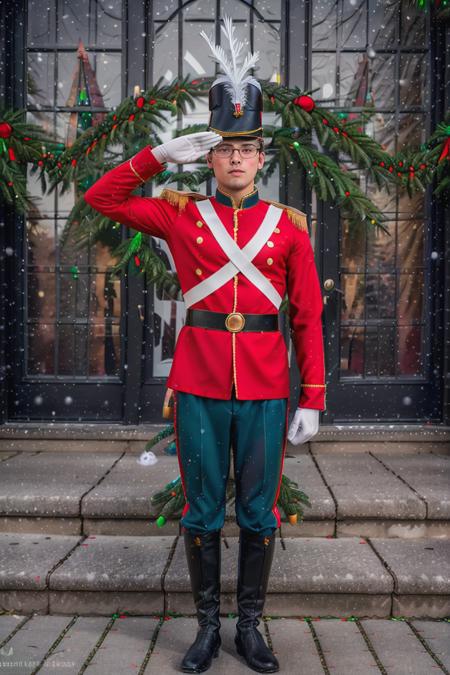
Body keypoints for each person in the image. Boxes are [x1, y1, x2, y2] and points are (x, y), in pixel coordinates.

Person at [84, 16, 325, 674]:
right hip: (198, 383)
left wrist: (313, 396)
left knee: (257, 511)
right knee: (200, 508)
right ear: (211, 155)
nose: (237, 157)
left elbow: (306, 316)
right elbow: (99, 196)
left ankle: (249, 628)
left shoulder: (288, 228)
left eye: (247, 146)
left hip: (269, 388)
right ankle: (206, 628)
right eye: (224, 146)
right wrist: (160, 156)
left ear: (262, 157)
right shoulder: (178, 211)